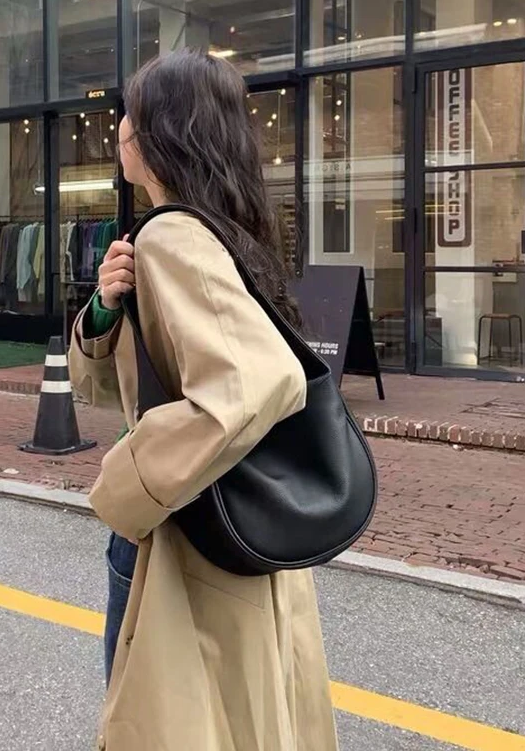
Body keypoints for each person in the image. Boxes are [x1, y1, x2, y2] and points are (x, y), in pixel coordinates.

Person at [68, 48, 338, 751]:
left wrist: (127, 482)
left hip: (182, 526)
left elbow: (256, 382)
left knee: (163, 719)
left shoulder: (171, 235)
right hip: (241, 513)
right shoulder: (227, 231)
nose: (118, 126)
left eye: (130, 111)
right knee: (237, 714)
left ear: (159, 131)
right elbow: (140, 380)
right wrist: (106, 310)